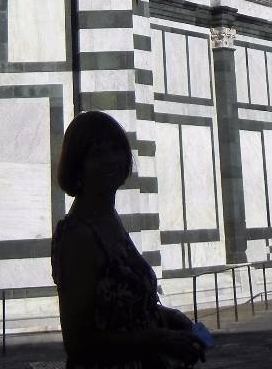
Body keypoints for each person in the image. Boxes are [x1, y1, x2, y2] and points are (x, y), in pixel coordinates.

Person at [51, 111, 205, 368]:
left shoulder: (108, 219)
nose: (112, 159)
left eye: (117, 149)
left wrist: (169, 317)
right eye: (98, 153)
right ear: (78, 165)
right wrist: (157, 340)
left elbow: (123, 310)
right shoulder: (79, 235)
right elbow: (79, 344)